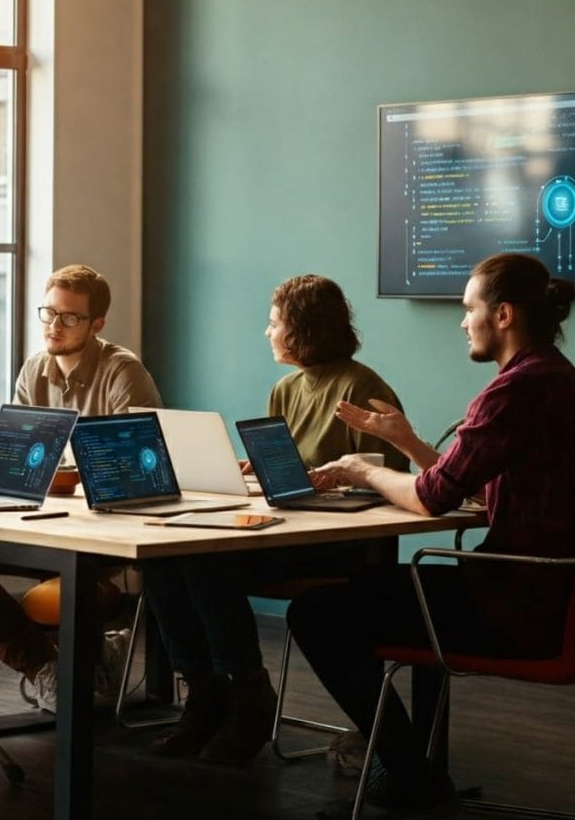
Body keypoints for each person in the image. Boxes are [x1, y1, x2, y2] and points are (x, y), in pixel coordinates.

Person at [288, 253, 575, 812]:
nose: (462, 321)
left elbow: (430, 497)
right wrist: (407, 443)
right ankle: (409, 764)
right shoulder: (558, 380)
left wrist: (363, 469)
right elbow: (472, 490)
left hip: (512, 607)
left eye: (469, 309)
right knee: (370, 594)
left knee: (318, 614)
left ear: (504, 315)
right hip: (548, 601)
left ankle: (405, 765)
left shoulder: (512, 391)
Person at [143, 275, 408, 764]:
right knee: (163, 561)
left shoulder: (362, 386)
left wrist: (333, 479)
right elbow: (287, 472)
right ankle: (205, 695)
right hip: (285, 531)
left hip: (339, 541)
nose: (267, 333)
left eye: (274, 323)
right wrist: (257, 470)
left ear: (301, 328)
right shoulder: (285, 389)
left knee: (206, 565)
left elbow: (396, 480)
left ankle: (249, 699)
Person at [0, 264, 163, 713]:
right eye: (48, 313)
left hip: (108, 525)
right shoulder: (35, 369)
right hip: (47, 515)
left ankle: (7, 627)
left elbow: (137, 462)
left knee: (72, 578)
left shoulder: (122, 370)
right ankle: (42, 664)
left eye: (70, 318)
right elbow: (23, 452)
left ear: (96, 324)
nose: (54, 326)